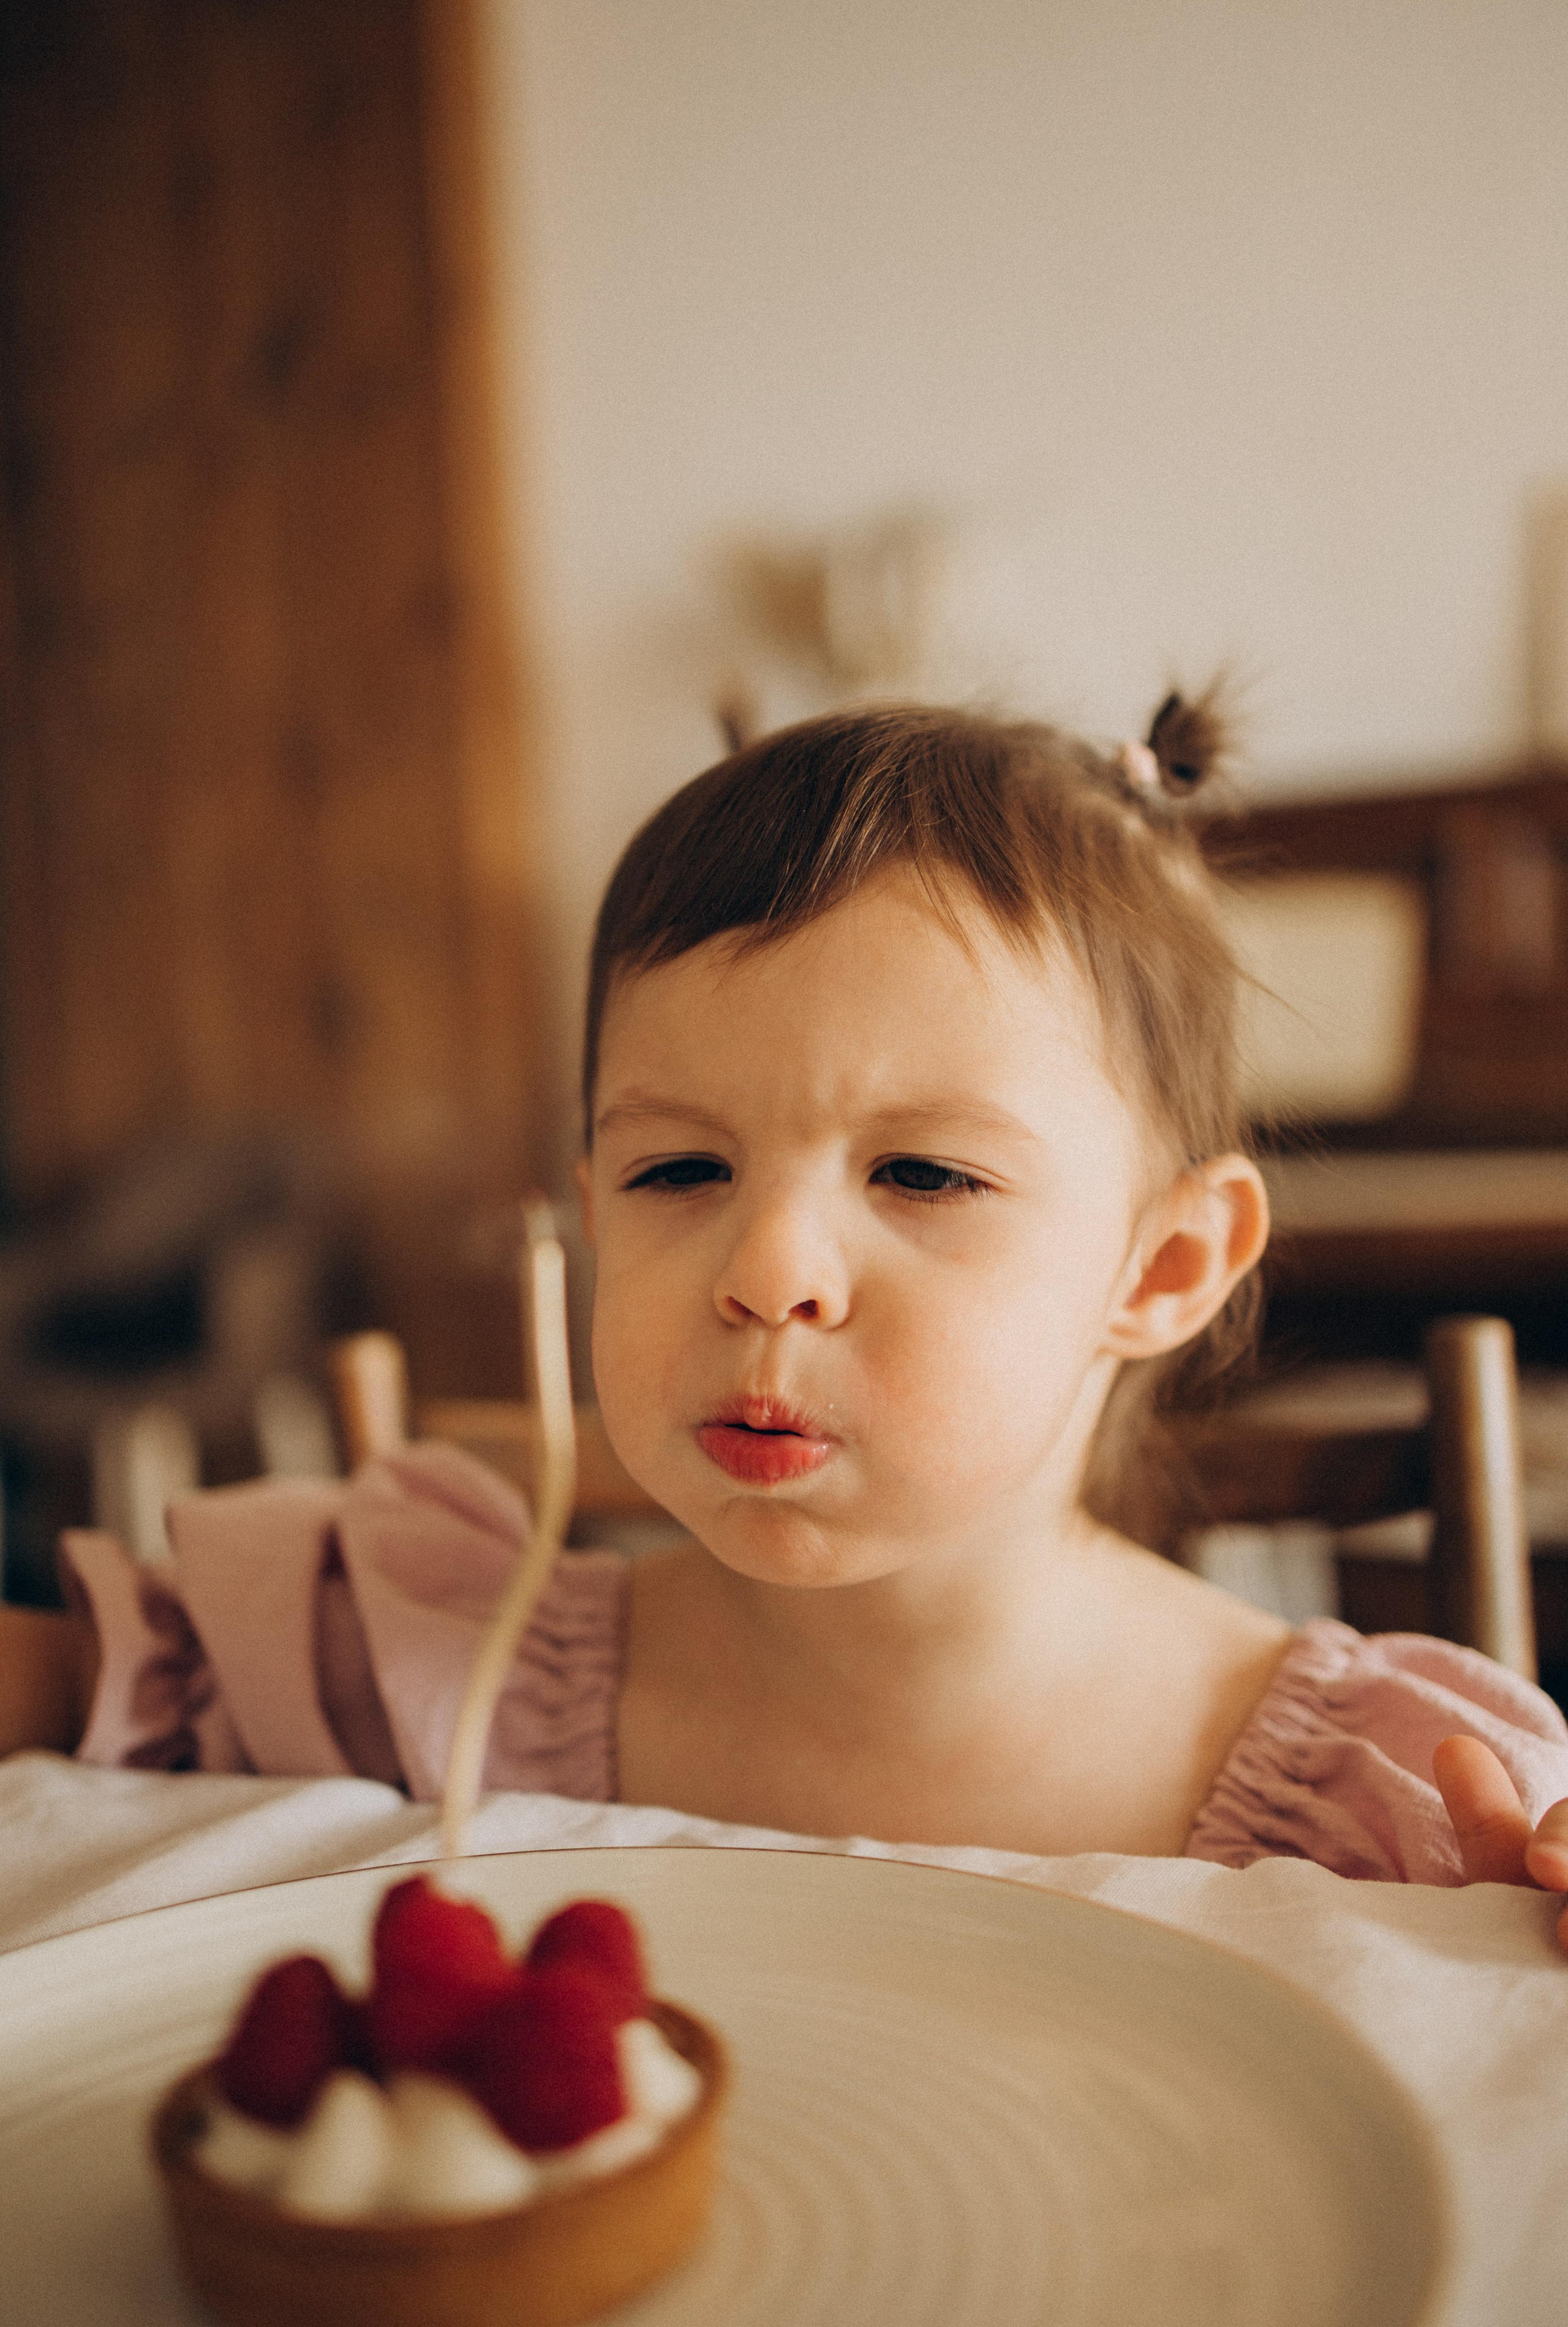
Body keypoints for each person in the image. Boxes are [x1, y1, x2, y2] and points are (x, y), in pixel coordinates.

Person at [4, 700, 1567, 1939]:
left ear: (1158, 1269)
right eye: (678, 1166)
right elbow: (75, 1692)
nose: (766, 1271)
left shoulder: (1397, 1800)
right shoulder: (424, 1670)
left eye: (923, 1173)